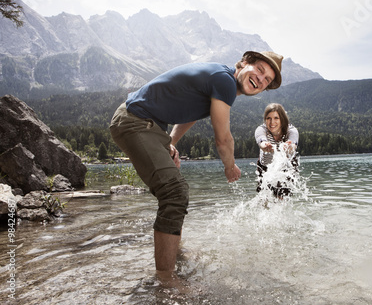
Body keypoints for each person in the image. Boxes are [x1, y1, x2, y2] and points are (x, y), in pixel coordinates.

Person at [109, 51, 283, 285]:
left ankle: (174, 253)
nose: (260, 80)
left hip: (149, 126)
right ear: (243, 63)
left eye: (267, 81)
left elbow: (189, 112)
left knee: (175, 192)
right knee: (175, 192)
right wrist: (230, 167)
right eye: (260, 70)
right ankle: (166, 279)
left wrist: (170, 142)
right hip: (134, 121)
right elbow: (223, 139)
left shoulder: (220, 79)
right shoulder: (225, 82)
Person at [255, 103, 299, 199]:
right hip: (265, 167)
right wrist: (265, 146)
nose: (272, 122)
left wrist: (289, 148)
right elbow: (261, 141)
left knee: (282, 199)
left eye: (276, 118)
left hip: (286, 167)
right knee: (264, 199)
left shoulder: (291, 130)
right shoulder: (261, 129)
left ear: (282, 119)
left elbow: (293, 145)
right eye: (268, 118)